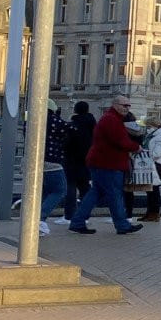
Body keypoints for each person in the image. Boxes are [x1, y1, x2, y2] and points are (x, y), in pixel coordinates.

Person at [67, 95, 145, 235]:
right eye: (124, 105)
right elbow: (120, 141)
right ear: (115, 105)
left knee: (95, 193)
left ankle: (77, 221)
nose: (127, 108)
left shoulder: (110, 118)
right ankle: (122, 225)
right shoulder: (112, 120)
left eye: (128, 106)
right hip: (109, 163)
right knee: (115, 194)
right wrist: (136, 147)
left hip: (101, 162)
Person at [37, 104, 69, 234]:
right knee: (59, 190)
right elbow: (70, 131)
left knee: (44, 192)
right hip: (52, 161)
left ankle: (34, 217)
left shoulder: (33, 119)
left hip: (34, 161)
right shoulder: (54, 121)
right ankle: (40, 219)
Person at [61, 100, 95, 220]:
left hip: (72, 160)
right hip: (88, 160)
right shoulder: (93, 125)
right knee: (85, 188)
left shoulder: (72, 126)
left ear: (75, 110)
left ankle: (69, 215)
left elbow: (65, 144)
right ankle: (85, 213)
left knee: (70, 187)